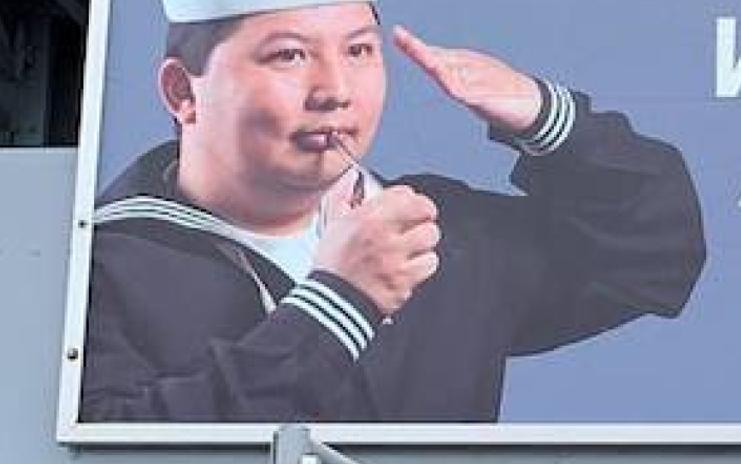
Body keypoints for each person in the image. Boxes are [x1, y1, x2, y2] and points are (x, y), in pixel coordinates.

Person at [81, 0, 705, 423]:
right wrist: (338, 305)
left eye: (358, 51)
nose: (335, 91)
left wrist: (551, 120)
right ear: (182, 91)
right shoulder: (95, 265)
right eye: (288, 56)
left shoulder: (437, 234)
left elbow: (653, 255)